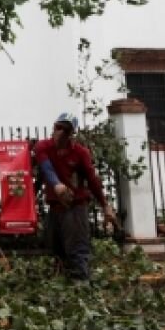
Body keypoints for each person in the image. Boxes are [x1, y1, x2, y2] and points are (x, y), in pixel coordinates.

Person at [33, 112, 119, 281]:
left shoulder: (80, 153)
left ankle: (81, 289)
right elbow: (46, 168)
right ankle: (62, 291)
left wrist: (105, 205)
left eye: (66, 129)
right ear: (53, 127)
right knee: (55, 250)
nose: (61, 132)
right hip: (55, 207)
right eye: (59, 127)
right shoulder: (43, 147)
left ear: (71, 133)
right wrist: (56, 185)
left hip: (75, 208)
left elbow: (93, 181)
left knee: (77, 252)